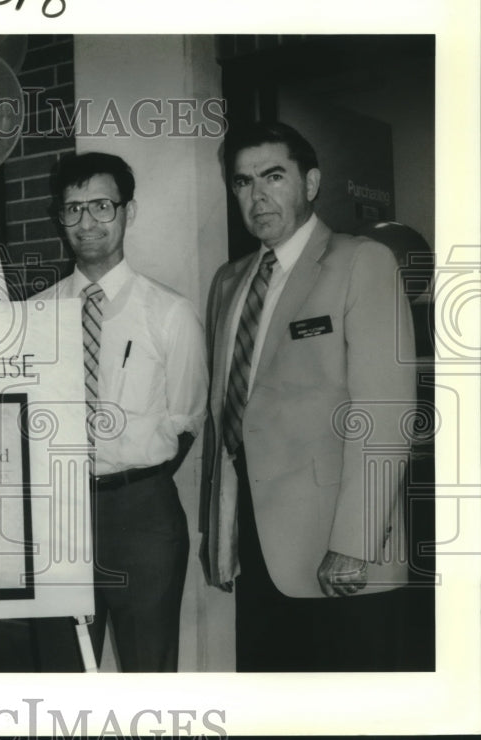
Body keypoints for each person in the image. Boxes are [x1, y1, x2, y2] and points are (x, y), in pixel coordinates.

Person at [198, 121, 417, 671]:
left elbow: (385, 416)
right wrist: (222, 534)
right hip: (255, 544)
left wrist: (356, 541)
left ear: (311, 182)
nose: (258, 195)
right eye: (243, 182)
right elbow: (226, 419)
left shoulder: (360, 262)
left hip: (339, 547)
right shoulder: (230, 280)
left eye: (274, 176)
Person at [30, 152, 208, 671]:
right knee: (60, 677)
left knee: (147, 674)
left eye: (102, 206)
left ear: (128, 212)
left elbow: (187, 419)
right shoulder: (35, 315)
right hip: (59, 515)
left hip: (141, 515)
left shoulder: (170, 313)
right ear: (59, 218)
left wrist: (125, 478)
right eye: (73, 209)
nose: (87, 222)